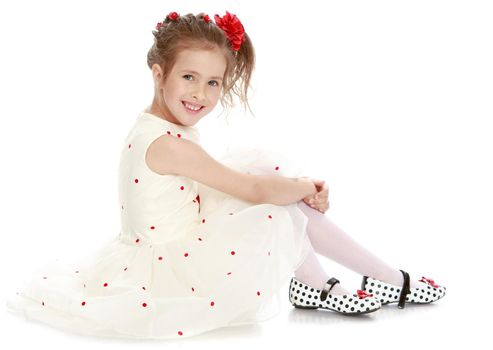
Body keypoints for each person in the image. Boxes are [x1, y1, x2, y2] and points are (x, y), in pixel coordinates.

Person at [5, 10, 446, 340]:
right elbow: (253, 191)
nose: (201, 93)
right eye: (189, 77)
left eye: (214, 82)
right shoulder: (168, 143)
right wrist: (307, 187)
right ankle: (369, 281)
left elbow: (244, 183)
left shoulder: (160, 127)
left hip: (176, 236)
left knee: (266, 174)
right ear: (159, 75)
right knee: (273, 202)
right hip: (172, 267)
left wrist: (294, 188)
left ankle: (333, 285)